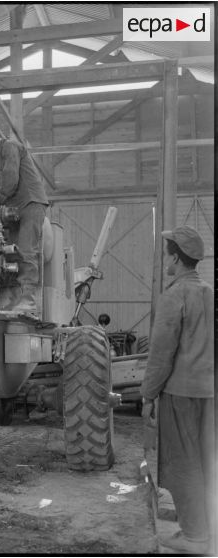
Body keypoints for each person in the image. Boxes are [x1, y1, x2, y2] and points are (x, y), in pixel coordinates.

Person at [140, 226, 215, 554]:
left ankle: (195, 538)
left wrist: (148, 393)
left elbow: (161, 354)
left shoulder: (174, 296)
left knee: (184, 464)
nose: (165, 259)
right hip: (208, 393)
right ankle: (209, 529)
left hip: (181, 394)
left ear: (176, 258)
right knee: (206, 462)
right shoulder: (209, 293)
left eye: (167, 252)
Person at [0, 127, 49, 317]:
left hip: (30, 203)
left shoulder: (9, 147)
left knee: (25, 250)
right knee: (12, 252)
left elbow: (10, 177)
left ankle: (28, 300)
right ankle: (18, 299)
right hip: (16, 208)